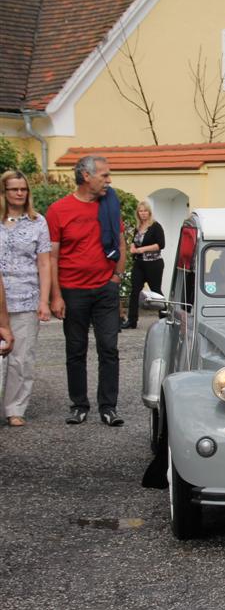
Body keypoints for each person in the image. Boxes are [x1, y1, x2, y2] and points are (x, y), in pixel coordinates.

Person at [48, 155, 127, 426]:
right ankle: (79, 405)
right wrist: (56, 296)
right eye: (104, 175)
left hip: (105, 288)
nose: (109, 180)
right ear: (86, 176)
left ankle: (108, 407)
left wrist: (116, 278)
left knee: (109, 348)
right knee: (76, 349)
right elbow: (53, 257)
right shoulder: (59, 210)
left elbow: (121, 244)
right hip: (72, 290)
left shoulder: (110, 205)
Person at [0, 170, 44, 425]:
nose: (19, 193)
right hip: (0, 295)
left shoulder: (38, 221)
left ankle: (16, 408)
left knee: (22, 357)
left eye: (23, 189)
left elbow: (45, 262)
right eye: (14, 189)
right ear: (4, 192)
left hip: (26, 294)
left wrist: (44, 300)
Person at [122, 200, 165, 329]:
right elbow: (134, 242)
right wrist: (132, 247)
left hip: (154, 264)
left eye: (145, 211)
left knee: (156, 291)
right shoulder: (138, 227)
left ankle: (165, 318)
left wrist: (142, 249)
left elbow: (160, 245)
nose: (143, 214)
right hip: (139, 263)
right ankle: (132, 321)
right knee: (134, 291)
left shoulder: (156, 226)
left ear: (149, 212)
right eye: (140, 211)